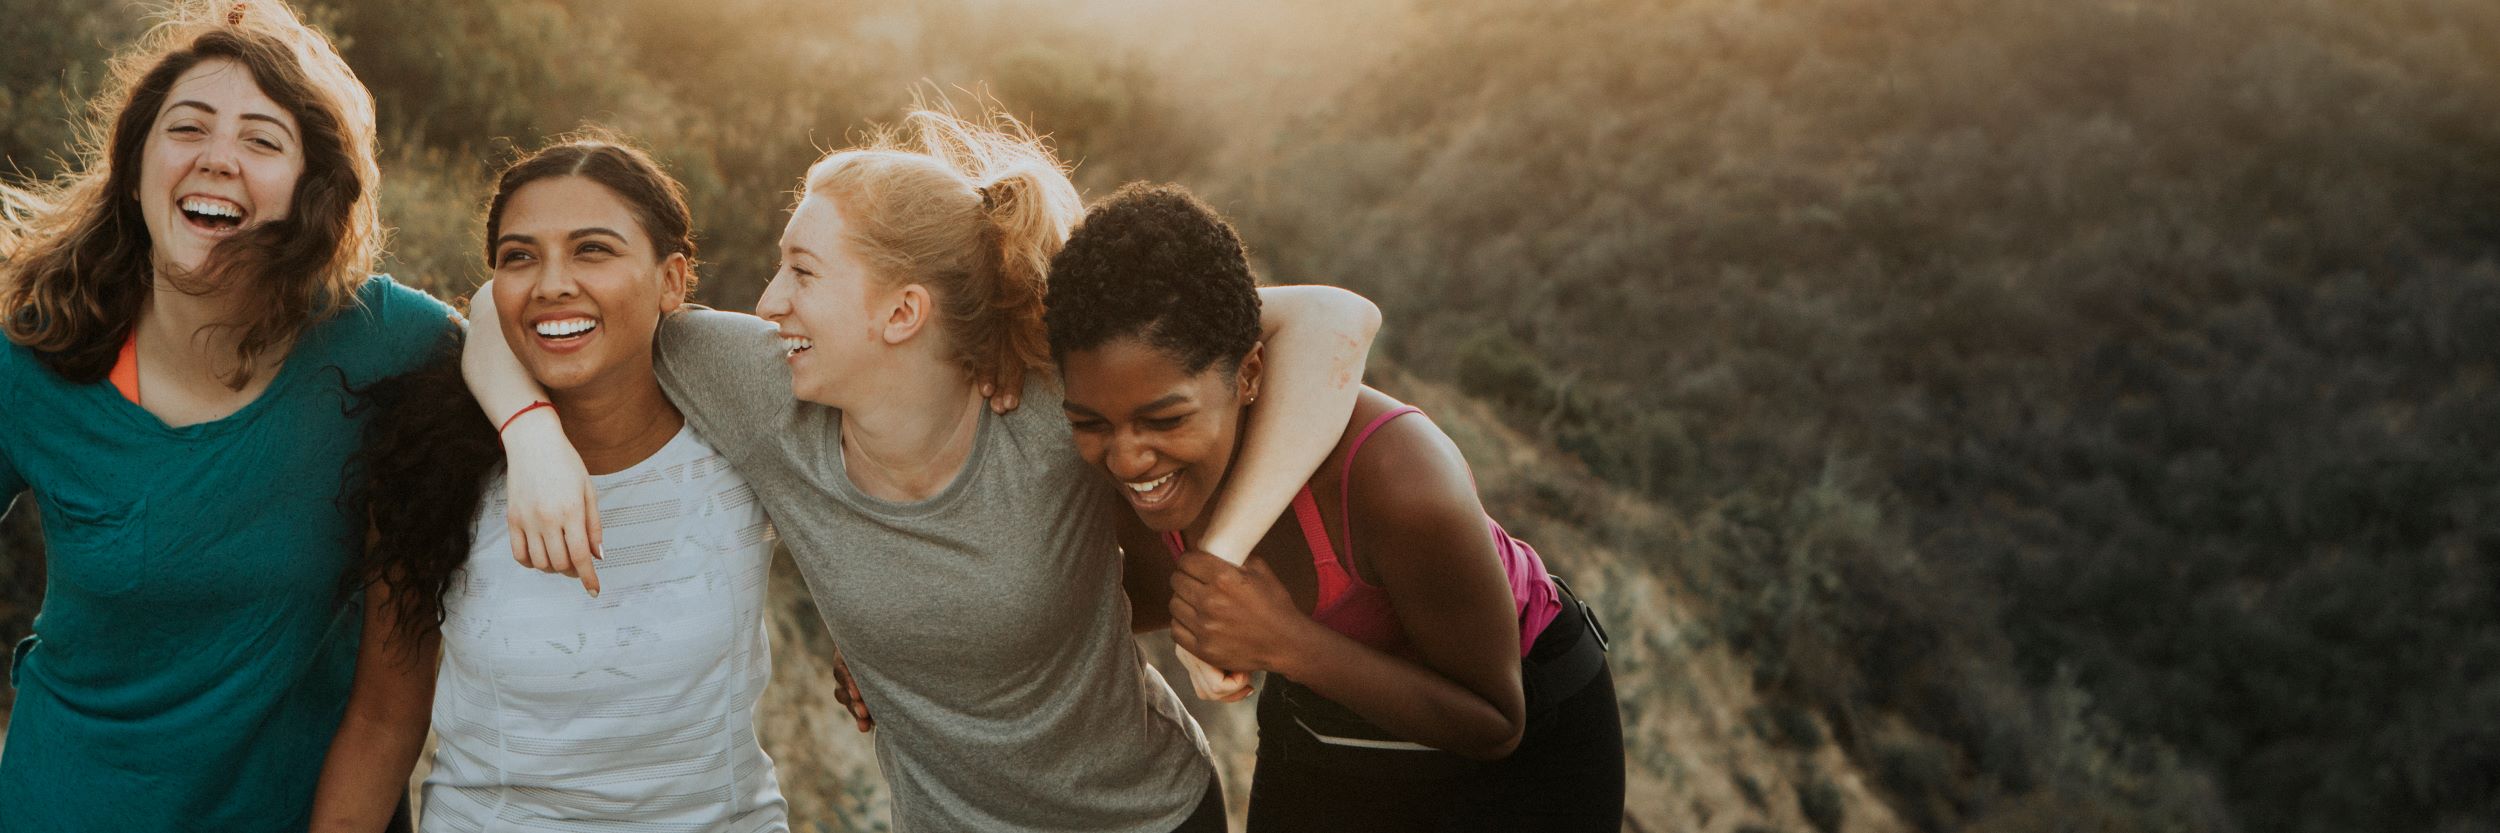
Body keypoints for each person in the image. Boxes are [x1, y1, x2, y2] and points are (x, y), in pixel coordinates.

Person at [465, 108, 1380, 832]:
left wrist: (1214, 562)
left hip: (1148, 816)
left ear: (902, 312)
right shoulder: (758, 383)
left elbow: (1335, 319)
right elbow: (502, 302)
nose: (767, 300)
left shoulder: (1050, 398)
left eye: (802, 272)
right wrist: (531, 434)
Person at [0, 2, 458, 830]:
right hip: (65, 801)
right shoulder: (33, 351)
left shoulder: (380, 339)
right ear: (136, 161)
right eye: (188, 128)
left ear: (311, 186)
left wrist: (534, 429)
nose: (218, 159)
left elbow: (507, 325)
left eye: (262, 139)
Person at [1044, 183, 1626, 832]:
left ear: (1250, 374)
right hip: (1327, 713)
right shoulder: (1132, 479)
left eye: (1167, 418)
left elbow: (1495, 721)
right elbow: (1113, 602)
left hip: (1525, 730)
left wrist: (1284, 641)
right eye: (1091, 421)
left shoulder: (1398, 478)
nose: (1126, 459)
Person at [306, 137, 789, 832]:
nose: (552, 283)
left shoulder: (740, 427)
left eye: (593, 249)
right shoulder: (433, 463)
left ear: (673, 279)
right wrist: (529, 433)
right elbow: (383, 723)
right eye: (520, 257)